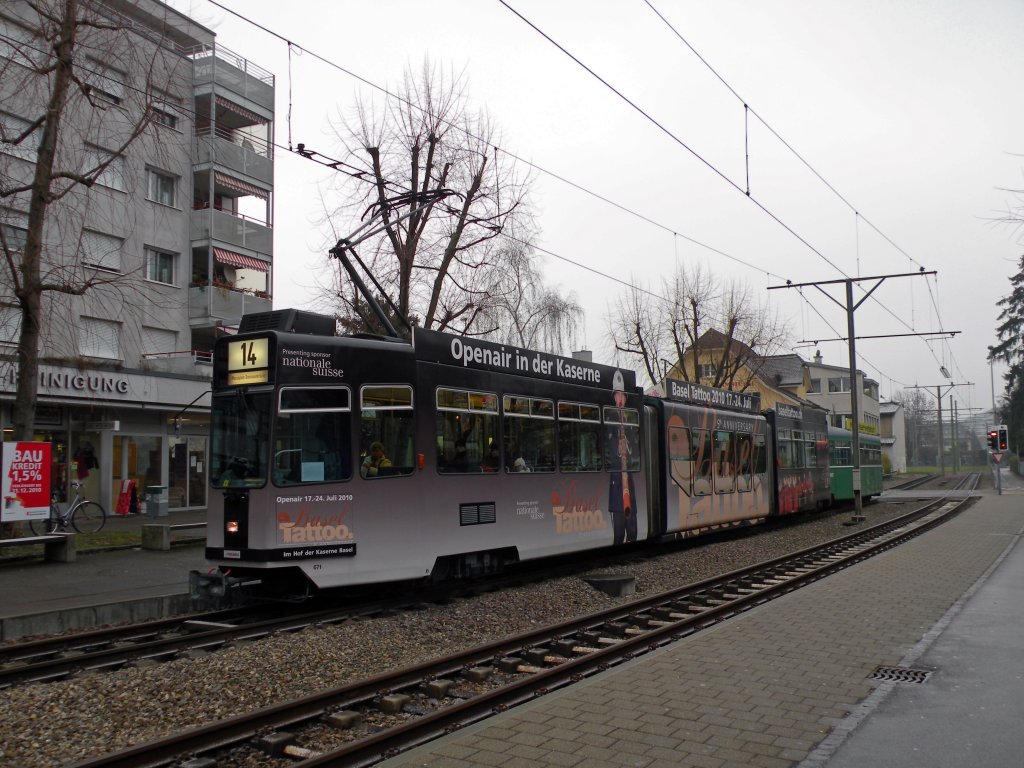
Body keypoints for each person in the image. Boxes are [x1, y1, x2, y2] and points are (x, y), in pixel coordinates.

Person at [607, 370, 637, 545]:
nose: (619, 398)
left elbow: (636, 445)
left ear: (625, 398)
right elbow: (606, 446)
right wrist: (618, 449)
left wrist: (628, 447)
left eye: (622, 395)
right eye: (617, 395)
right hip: (617, 478)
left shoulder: (632, 418)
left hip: (629, 475)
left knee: (632, 529)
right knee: (618, 530)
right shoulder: (609, 418)